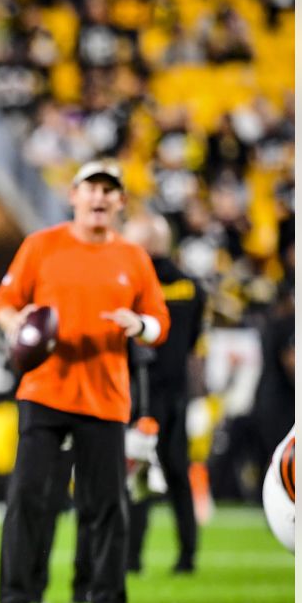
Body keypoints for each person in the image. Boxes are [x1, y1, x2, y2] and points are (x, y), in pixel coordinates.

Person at [0, 160, 169, 603]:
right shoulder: (41, 245)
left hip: (106, 396)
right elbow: (4, 304)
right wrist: (22, 329)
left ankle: (106, 602)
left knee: (106, 502)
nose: (100, 197)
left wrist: (141, 326)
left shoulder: (134, 257)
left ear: (120, 202)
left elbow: (159, 322)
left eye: (110, 190)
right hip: (44, 389)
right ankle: (15, 599)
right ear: (74, 194)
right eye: (92, 187)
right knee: (28, 496)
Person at [124, 212, 207, 574]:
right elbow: (192, 342)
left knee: (139, 473)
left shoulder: (135, 284)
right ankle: (187, 554)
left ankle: (132, 557)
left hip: (143, 392)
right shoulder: (192, 286)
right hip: (177, 392)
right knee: (177, 474)